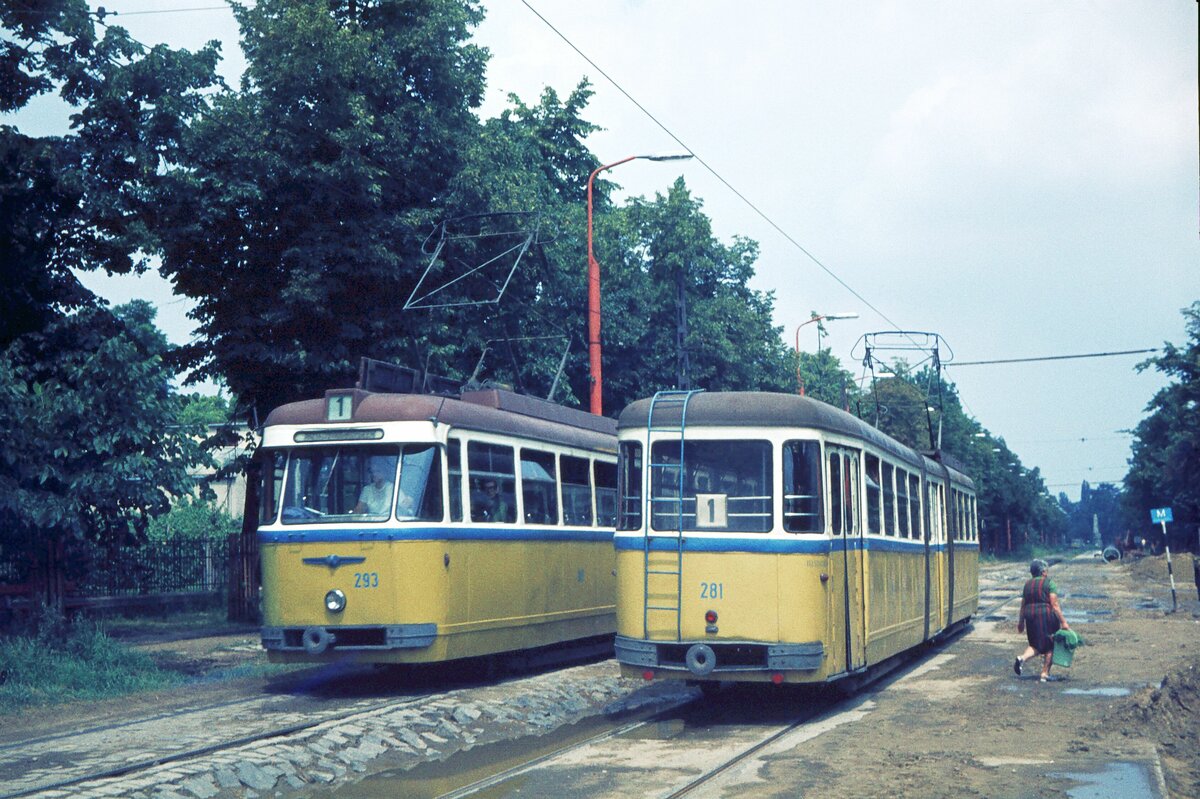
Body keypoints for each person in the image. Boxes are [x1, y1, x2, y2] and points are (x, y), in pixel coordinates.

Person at [1014, 559, 1070, 682]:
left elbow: (1023, 605)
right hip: (1046, 616)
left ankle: (1021, 658)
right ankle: (1045, 673)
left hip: (1030, 616)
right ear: (1043, 572)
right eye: (1047, 570)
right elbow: (1054, 605)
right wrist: (1063, 622)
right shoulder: (1049, 584)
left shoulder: (1027, 585)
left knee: (1035, 644)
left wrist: (1020, 622)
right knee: (1051, 645)